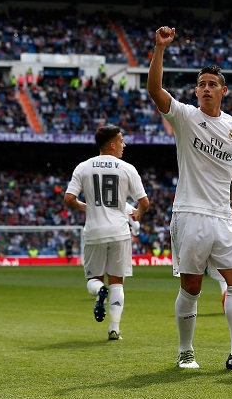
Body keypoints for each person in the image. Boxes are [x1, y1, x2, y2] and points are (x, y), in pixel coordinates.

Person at [148, 26, 232, 370]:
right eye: (201, 84)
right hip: (190, 213)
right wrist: (160, 49)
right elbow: (155, 89)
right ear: (196, 91)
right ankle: (186, 350)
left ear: (223, 91)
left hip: (222, 218)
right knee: (193, 285)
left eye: (212, 84)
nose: (205, 88)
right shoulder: (186, 117)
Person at [64, 125, 150, 341]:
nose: (124, 144)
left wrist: (87, 207)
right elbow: (144, 203)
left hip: (94, 231)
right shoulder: (127, 168)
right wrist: (138, 213)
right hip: (120, 232)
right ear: (112, 144)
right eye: (121, 140)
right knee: (118, 282)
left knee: (93, 280)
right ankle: (114, 328)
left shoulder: (83, 167)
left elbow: (69, 199)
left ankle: (99, 289)